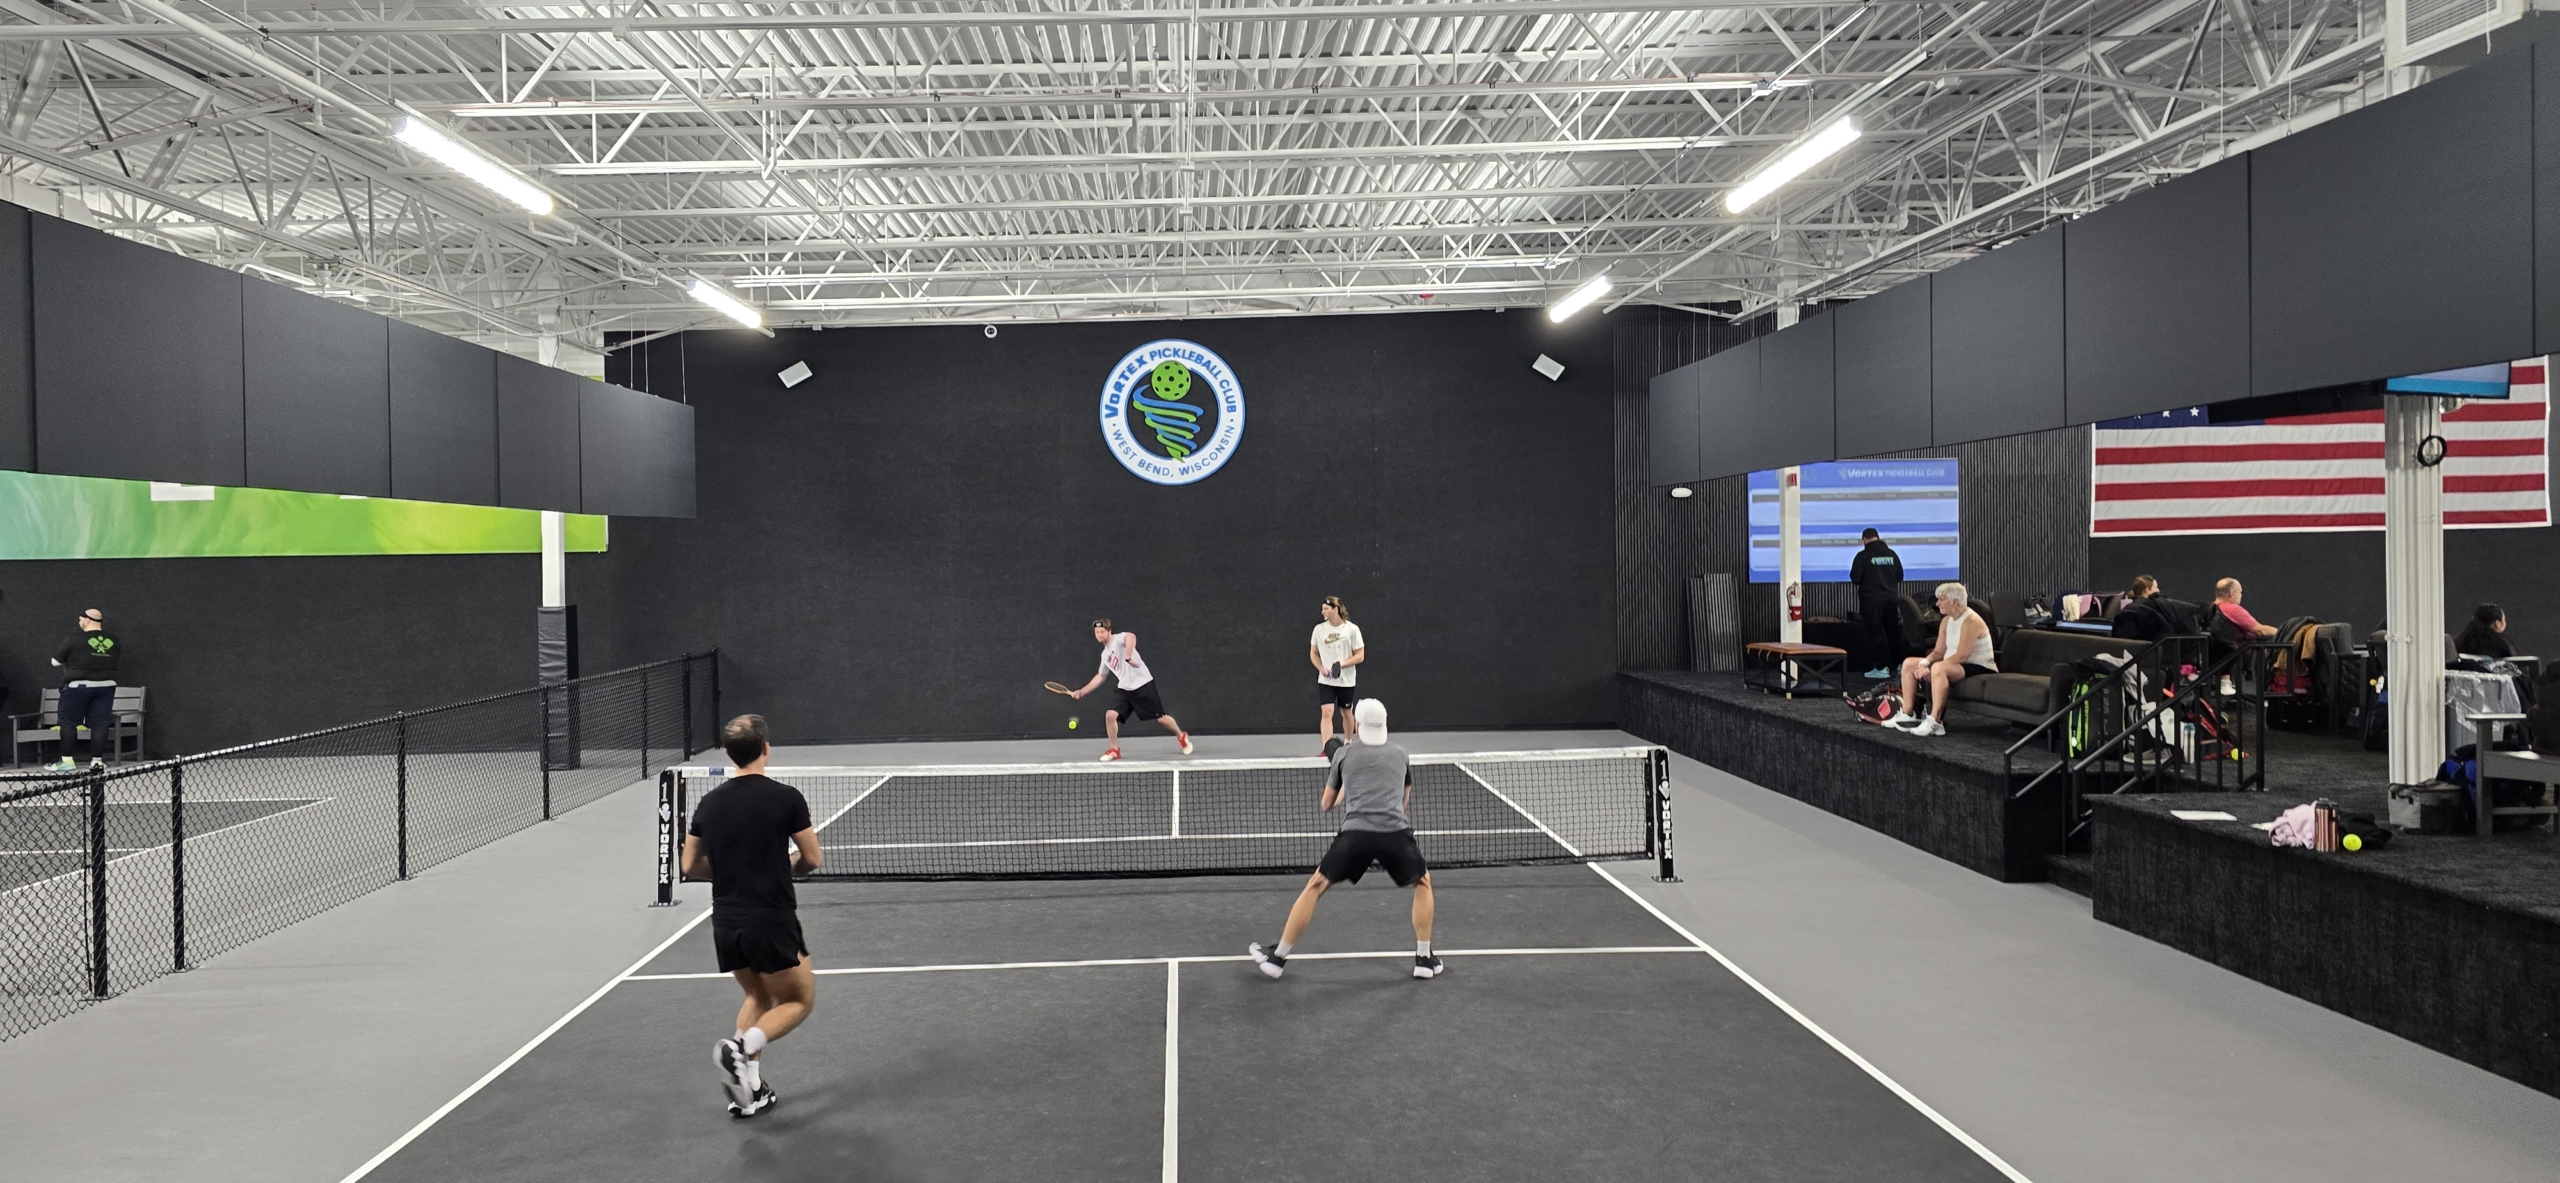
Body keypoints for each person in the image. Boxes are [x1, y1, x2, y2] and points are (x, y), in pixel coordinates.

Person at [681, 714, 820, 1119]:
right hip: (771, 921)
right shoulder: (786, 798)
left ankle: (750, 1091)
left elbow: (690, 865)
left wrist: (730, 873)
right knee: (798, 1000)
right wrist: (782, 869)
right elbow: (811, 858)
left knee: (758, 996)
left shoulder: (710, 803)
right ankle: (739, 1048)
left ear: (729, 754)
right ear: (765, 749)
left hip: (726, 924)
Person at [1250, 699, 1442, 981]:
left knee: (1315, 886)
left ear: (1359, 725)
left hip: (1356, 836)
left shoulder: (1343, 755)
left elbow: (1327, 805)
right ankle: (1424, 958)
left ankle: (1277, 957)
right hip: (1395, 834)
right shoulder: (1401, 754)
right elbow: (1403, 804)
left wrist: (1346, 790)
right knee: (1422, 882)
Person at [1071, 618, 1193, 761]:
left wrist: (1128, 656)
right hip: (1124, 688)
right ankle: (1114, 750)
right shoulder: (1105, 656)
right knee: (1110, 715)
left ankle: (1181, 736)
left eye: (1102, 631)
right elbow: (1101, 676)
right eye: (1097, 632)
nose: (1099, 635)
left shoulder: (1119, 639)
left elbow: (1131, 636)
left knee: (1161, 719)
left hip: (1143, 685)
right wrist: (1083, 690)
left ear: (1109, 631)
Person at [1885, 583, 1995, 737]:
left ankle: (1936, 722)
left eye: (1941, 600)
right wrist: (1924, 663)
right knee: (1910, 663)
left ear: (1955, 601)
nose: (1937, 604)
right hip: (1954, 664)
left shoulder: (1971, 621)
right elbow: (1938, 651)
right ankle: (1908, 714)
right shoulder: (1946, 621)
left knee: (1938, 668)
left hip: (1977, 666)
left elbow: (1962, 656)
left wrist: (1932, 668)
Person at [46, 608, 120, 771]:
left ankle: (67, 761)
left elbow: (55, 662)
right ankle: (97, 761)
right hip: (106, 686)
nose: (79, 623)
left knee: (68, 722)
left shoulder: (75, 639)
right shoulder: (114, 640)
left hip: (77, 686)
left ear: (86, 620)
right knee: (100, 723)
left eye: (80, 620)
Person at [1310, 595, 1366, 753]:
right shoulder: (1319, 629)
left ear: (1336, 609)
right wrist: (1320, 667)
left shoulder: (1352, 630)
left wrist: (1341, 664)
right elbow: (1313, 653)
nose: (1323, 612)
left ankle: (1348, 744)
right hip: (1325, 680)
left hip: (1346, 681)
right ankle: (1326, 749)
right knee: (1327, 712)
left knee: (1346, 712)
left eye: (1326, 609)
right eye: (1322, 609)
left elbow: (1360, 655)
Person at [1849, 529, 1907, 679]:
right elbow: (1900, 576)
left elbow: (1855, 578)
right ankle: (1901, 665)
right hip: (1891, 598)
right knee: (1894, 633)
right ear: (1878, 537)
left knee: (1876, 634)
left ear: (1864, 539)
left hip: (1871, 600)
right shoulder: (1892, 555)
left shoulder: (1862, 556)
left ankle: (1881, 668)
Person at [2213, 578, 2279, 639]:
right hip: (2244, 650)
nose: (2241, 595)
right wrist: (2282, 632)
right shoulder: (2232, 609)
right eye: (2240, 592)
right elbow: (2261, 631)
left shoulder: (2212, 609)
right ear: (2232, 594)